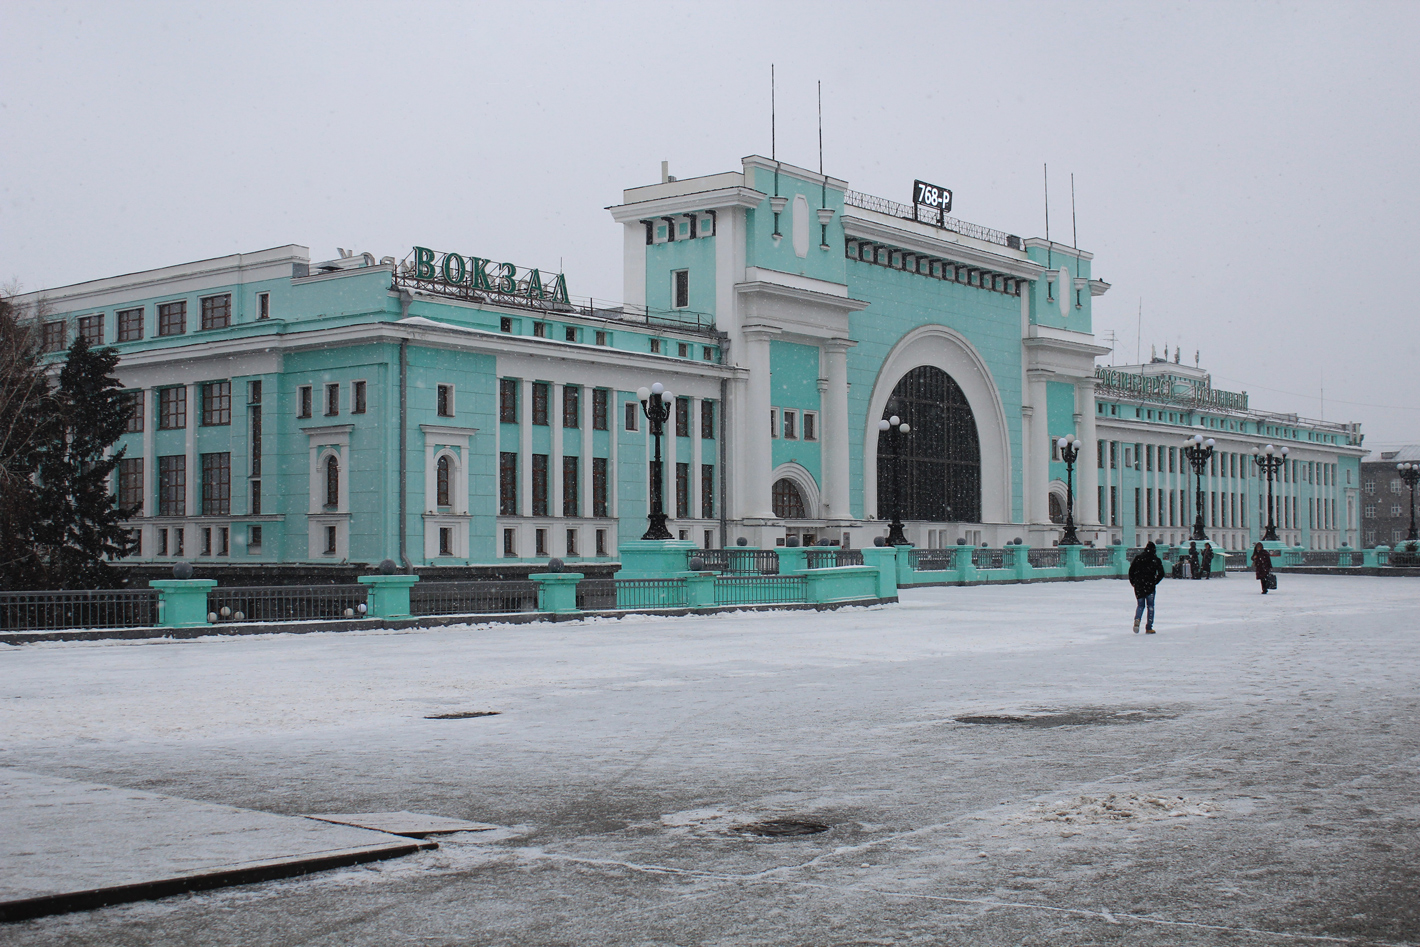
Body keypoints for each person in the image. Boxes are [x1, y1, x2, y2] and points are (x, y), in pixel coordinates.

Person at [1128, 541, 1166, 634]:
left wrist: (1134, 582)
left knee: (1140, 605)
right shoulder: (1155, 559)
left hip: (1139, 585)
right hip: (1150, 586)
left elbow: (1131, 571)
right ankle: (1149, 627)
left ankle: (1137, 619)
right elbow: (1161, 573)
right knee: (1151, 606)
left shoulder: (1138, 558)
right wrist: (1155, 582)